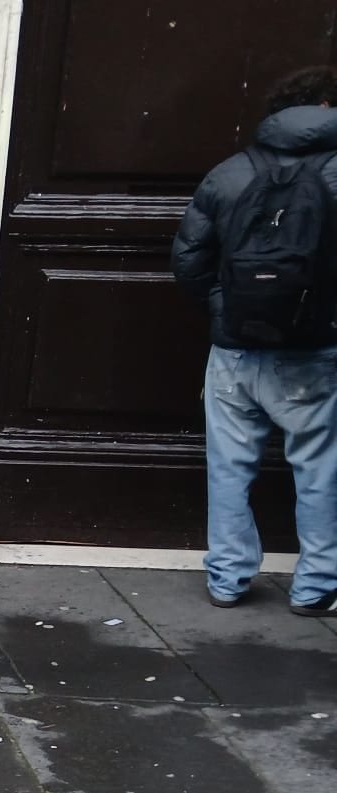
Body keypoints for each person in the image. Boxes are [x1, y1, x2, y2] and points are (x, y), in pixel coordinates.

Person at [171, 65, 337, 616]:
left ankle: (228, 577)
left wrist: (227, 311)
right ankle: (316, 586)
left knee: (229, 463)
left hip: (235, 345)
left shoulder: (231, 172)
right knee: (319, 465)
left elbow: (189, 259)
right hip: (314, 348)